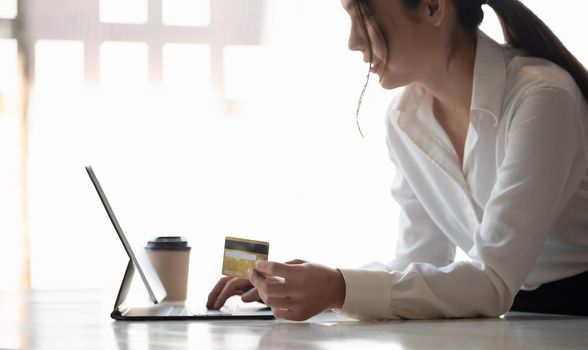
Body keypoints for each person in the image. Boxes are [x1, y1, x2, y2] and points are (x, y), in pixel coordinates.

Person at [206, 0, 588, 321]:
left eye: (363, 16)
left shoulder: (541, 98)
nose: (353, 42)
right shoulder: (406, 119)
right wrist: (303, 286)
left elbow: (492, 282)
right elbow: (419, 263)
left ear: (433, 7)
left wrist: (338, 288)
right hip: (519, 319)